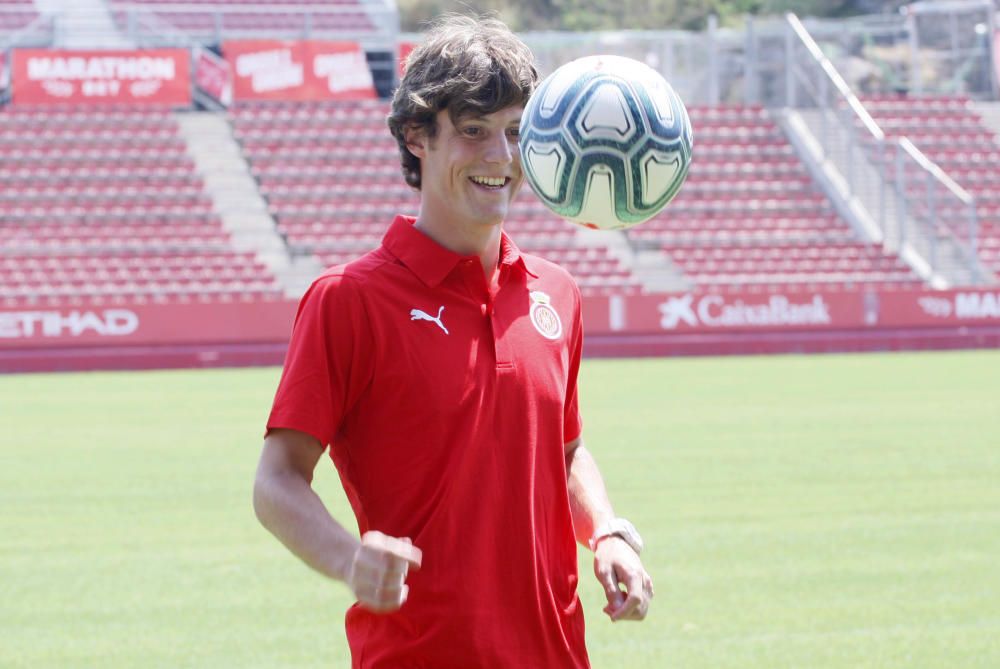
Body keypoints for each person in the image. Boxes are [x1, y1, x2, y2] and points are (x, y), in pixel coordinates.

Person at [253, 14, 653, 668]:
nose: (501, 156)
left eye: (516, 133)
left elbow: (566, 446)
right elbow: (276, 481)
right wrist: (349, 558)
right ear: (416, 135)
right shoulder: (349, 299)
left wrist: (605, 529)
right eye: (473, 131)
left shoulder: (557, 291)